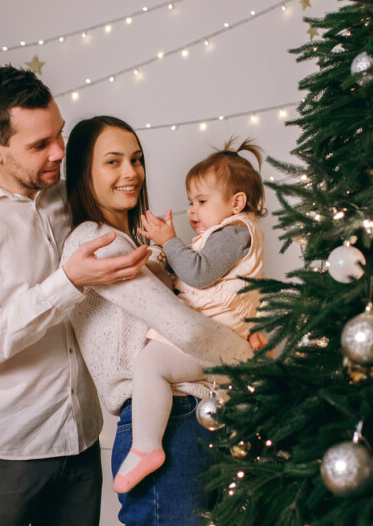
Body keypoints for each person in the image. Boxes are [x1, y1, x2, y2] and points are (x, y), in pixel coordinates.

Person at [0, 66, 151, 526]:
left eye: (60, 134)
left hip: (82, 441)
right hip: (1, 458)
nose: (58, 153)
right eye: (38, 145)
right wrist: (66, 283)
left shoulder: (63, 198)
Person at [61, 116, 261, 525]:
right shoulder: (94, 242)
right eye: (112, 162)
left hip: (201, 410)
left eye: (136, 159)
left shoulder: (137, 245)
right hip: (169, 421)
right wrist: (251, 360)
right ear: (84, 171)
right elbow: (185, 329)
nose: (131, 172)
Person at [112, 138, 267, 493]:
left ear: (236, 203)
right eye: (189, 203)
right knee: (153, 365)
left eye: (201, 202)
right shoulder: (223, 235)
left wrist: (170, 241)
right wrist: (161, 252)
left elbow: (198, 273)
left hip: (212, 338)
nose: (192, 211)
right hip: (214, 338)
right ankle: (147, 445)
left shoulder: (234, 231)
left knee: (150, 366)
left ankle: (147, 447)